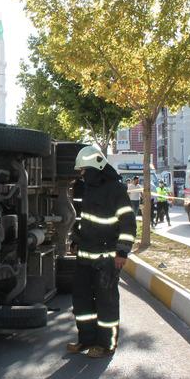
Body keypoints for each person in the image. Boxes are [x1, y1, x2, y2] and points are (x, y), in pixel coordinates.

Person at [67, 146, 136, 358]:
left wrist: (122, 252)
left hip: (107, 258)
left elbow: (128, 223)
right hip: (85, 256)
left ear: (96, 167)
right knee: (82, 300)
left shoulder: (115, 190)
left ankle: (106, 345)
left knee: (106, 302)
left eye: (84, 170)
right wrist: (75, 239)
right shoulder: (85, 188)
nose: (81, 175)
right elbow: (80, 219)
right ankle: (86, 340)